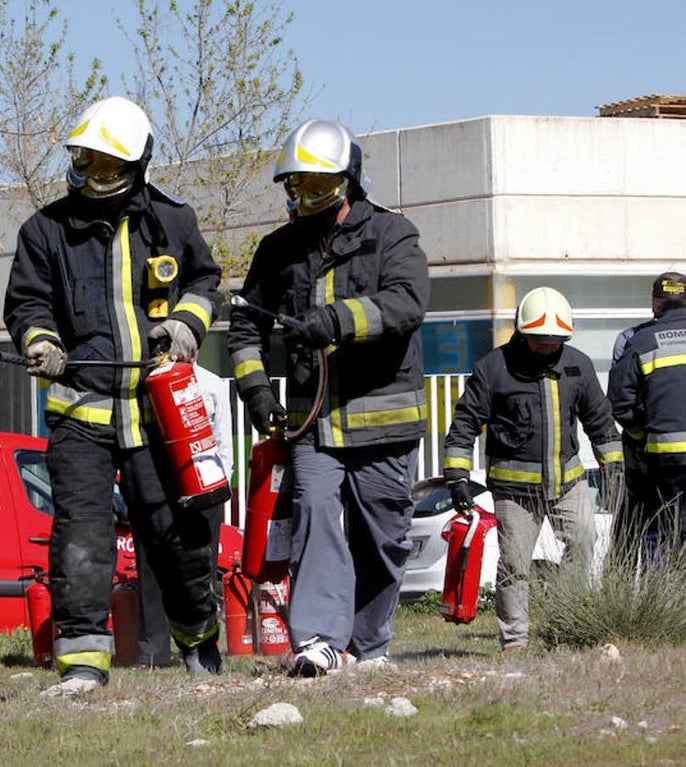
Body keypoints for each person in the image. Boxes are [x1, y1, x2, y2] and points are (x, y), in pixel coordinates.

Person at [3, 96, 224, 695]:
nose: (92, 175)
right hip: (81, 413)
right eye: (84, 161)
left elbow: (206, 279)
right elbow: (27, 303)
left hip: (159, 415)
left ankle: (200, 643)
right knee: (81, 541)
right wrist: (41, 341)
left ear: (135, 166)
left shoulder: (172, 221)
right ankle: (83, 665)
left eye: (106, 166)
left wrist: (184, 325)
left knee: (179, 538)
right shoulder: (44, 229)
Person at [227, 119, 430, 677]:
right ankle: (317, 640)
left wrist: (336, 321)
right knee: (314, 514)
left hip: (383, 420)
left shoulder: (392, 234)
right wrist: (256, 391)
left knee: (383, 537)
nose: (304, 199)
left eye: (318, 187)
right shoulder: (277, 250)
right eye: (296, 187)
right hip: (311, 423)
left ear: (348, 182)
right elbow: (244, 328)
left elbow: (407, 303)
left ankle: (368, 646)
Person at [443, 286, 622, 652]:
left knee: (584, 542)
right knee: (514, 564)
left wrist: (615, 469)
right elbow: (464, 425)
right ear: (522, 333)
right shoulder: (493, 368)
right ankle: (515, 641)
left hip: (569, 483)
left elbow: (601, 422)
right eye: (541, 340)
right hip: (513, 490)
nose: (548, 346)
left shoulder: (578, 365)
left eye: (555, 340)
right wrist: (458, 478)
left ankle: (567, 626)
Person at [134, 362, 233, 668]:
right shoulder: (147, 383)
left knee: (200, 569)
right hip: (158, 484)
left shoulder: (212, 383)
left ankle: (203, 647)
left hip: (203, 491)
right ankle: (153, 651)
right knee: (152, 566)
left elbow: (222, 441)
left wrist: (218, 490)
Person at [608, 272, 686, 561]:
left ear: (655, 304)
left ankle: (660, 602)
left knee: (660, 533)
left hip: (662, 457)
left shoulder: (640, 341)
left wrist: (641, 435)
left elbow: (619, 402)